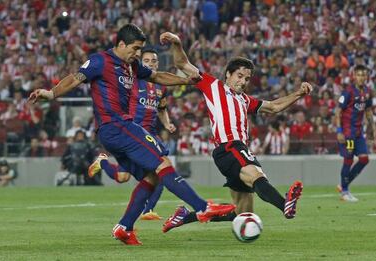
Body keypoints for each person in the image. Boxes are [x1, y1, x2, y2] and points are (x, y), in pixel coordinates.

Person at [28, 24, 236, 245]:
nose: (138, 53)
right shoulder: (100, 61)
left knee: (152, 177)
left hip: (114, 131)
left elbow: (157, 76)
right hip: (117, 125)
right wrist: (51, 93)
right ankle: (203, 208)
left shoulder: (132, 66)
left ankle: (124, 227)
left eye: (140, 49)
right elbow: (75, 78)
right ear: (121, 44)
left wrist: (186, 81)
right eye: (135, 48)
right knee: (162, 163)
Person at [159, 32, 313, 233]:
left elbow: (274, 107)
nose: (243, 81)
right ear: (228, 75)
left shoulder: (245, 100)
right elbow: (182, 64)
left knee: (243, 213)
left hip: (233, 151)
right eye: (239, 76)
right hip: (230, 146)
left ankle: (186, 215)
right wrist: (177, 43)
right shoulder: (213, 86)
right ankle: (284, 204)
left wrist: (299, 94)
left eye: (247, 78)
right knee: (257, 175)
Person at [88, 48, 176, 220]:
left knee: (161, 168)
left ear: (158, 63)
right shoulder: (133, 80)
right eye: (147, 61)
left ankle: (148, 209)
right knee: (122, 177)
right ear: (141, 63)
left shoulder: (161, 87)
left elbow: (162, 108)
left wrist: (167, 123)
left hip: (149, 133)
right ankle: (103, 162)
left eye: (154, 61)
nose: (151, 63)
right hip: (131, 132)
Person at [335, 65, 376, 202]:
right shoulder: (348, 92)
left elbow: (368, 111)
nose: (361, 77)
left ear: (367, 77)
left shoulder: (367, 91)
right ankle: (345, 192)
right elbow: (338, 111)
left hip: (359, 133)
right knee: (348, 160)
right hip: (347, 133)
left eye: (363, 75)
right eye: (359, 75)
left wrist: (374, 129)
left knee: (364, 159)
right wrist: (339, 131)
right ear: (354, 75)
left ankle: (343, 185)